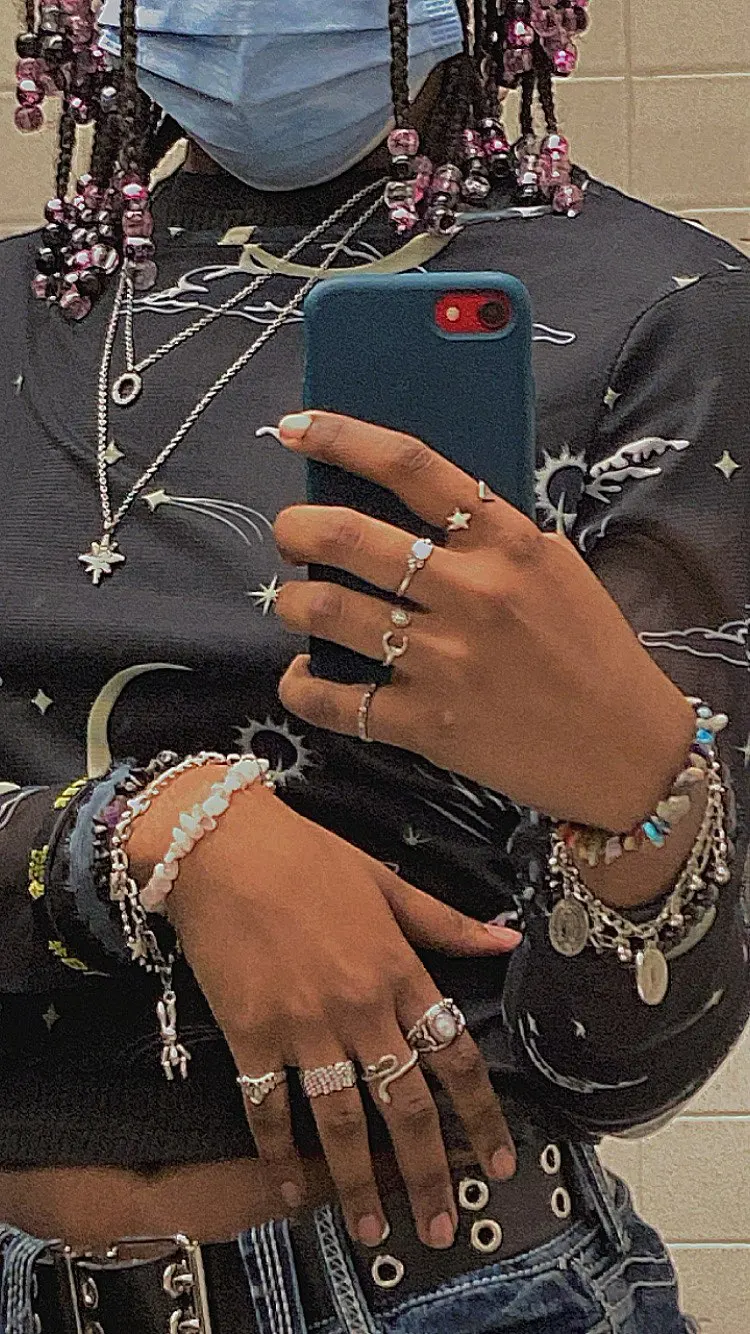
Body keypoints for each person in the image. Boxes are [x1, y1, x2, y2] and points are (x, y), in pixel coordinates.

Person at [0, 1, 747, 1331]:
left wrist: (639, 801)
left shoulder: (665, 310)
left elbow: (621, 1068)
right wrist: (158, 842)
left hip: (461, 1287)